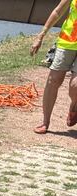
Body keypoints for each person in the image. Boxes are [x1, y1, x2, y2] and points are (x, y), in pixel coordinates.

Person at [30, 0, 77, 133]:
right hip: (67, 41)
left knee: (75, 86)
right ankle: (45, 121)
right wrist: (41, 36)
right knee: (53, 80)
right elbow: (57, 12)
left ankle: (74, 107)